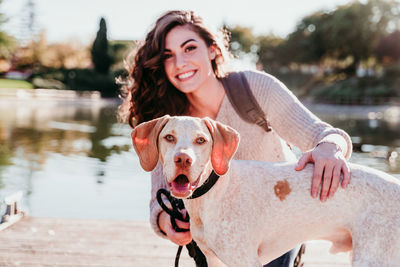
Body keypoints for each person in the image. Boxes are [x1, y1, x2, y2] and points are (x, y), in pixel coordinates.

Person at [119, 10, 352, 267]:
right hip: (212, 234)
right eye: (168, 56)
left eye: (189, 48)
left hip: (275, 226)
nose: (180, 62)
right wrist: (169, 222)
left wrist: (331, 148)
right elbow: (159, 196)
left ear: (213, 50)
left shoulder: (253, 89)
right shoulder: (169, 121)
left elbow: (322, 134)